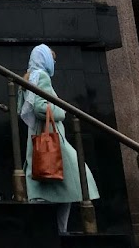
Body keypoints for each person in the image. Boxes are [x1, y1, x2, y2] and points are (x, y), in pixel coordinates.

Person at [18, 44, 99, 234]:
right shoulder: (43, 77)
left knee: (47, 179)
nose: (54, 62)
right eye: (52, 59)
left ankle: (54, 229)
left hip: (38, 135)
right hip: (51, 136)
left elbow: (23, 108)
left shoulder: (29, 77)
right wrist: (61, 110)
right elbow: (40, 107)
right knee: (75, 178)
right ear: (44, 60)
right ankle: (61, 231)